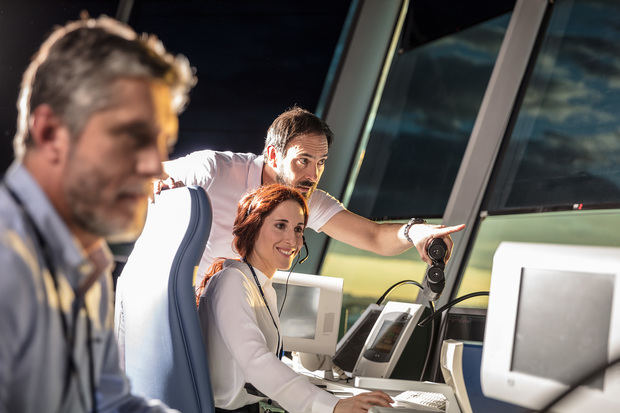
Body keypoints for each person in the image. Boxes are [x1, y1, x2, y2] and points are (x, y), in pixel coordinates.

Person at [0, 15, 195, 412]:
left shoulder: (87, 264)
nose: (155, 168)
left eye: (164, 144)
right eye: (133, 137)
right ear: (51, 133)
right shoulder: (8, 270)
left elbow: (110, 402)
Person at [159, 107, 465, 285]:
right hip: (174, 307)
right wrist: (159, 187)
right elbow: (144, 175)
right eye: (303, 160)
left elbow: (374, 237)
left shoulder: (306, 201)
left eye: (320, 163)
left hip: (227, 317)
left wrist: (416, 231)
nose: (313, 175)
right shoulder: (215, 170)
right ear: (273, 155)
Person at [197, 184, 393, 413]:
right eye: (280, 226)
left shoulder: (258, 285)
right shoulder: (232, 281)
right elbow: (256, 362)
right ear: (253, 227)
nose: (292, 239)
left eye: (299, 229)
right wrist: (333, 406)